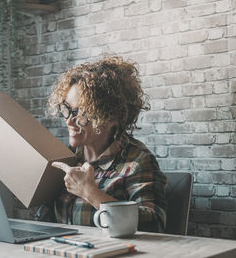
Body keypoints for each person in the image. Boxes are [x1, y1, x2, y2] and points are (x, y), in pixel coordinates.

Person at [46, 56, 167, 233]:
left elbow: (154, 224)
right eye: (66, 109)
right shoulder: (65, 157)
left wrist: (90, 192)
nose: (69, 121)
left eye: (80, 113)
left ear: (111, 116)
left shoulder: (138, 162)